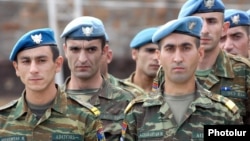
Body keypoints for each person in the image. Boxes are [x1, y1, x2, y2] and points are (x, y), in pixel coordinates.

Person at [122, 16, 242, 141]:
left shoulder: (223, 113)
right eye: (170, 49)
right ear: (159, 56)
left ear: (200, 54)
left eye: (186, 48)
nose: (178, 58)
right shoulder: (138, 112)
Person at [154, 0, 250, 124]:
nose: (204, 30)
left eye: (212, 21)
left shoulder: (244, 71)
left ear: (224, 28)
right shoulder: (167, 71)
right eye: (196, 23)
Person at [0, 28, 105, 140]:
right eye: (26, 61)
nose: (33, 69)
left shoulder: (85, 117)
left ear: (58, 64)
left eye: (41, 60)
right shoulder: (2, 120)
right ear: (17, 68)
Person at [60, 16, 134, 140]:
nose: (82, 59)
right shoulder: (51, 103)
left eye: (91, 49)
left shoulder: (128, 104)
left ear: (104, 51)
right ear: (65, 50)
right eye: (75, 49)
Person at [123, 27, 160, 94]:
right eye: (150, 51)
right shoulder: (118, 92)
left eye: (160, 52)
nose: (156, 57)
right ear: (134, 54)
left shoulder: (171, 94)